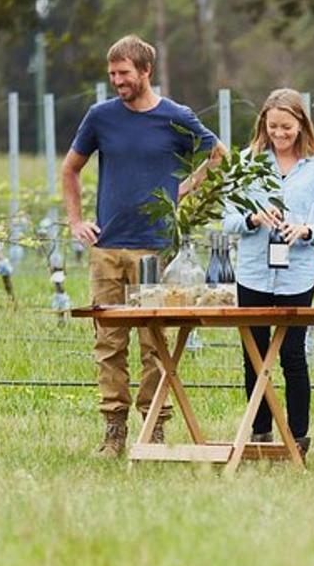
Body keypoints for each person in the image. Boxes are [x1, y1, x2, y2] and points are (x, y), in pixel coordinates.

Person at [63, 35, 226, 458]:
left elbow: (219, 155)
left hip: (157, 249)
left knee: (156, 346)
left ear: (145, 72)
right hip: (108, 248)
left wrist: (182, 192)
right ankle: (113, 430)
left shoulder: (176, 117)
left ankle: (153, 427)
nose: (118, 81)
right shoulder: (100, 117)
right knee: (109, 343)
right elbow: (71, 168)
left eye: (124, 74)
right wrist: (77, 220)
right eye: (113, 74)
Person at [223, 88, 314, 457]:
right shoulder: (246, 162)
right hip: (254, 272)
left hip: (297, 273)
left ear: (302, 124)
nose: (279, 134)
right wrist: (252, 219)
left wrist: (304, 230)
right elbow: (227, 219)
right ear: (263, 125)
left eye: (286, 127)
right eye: (273, 127)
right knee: (253, 355)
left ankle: (298, 438)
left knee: (292, 354)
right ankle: (260, 434)